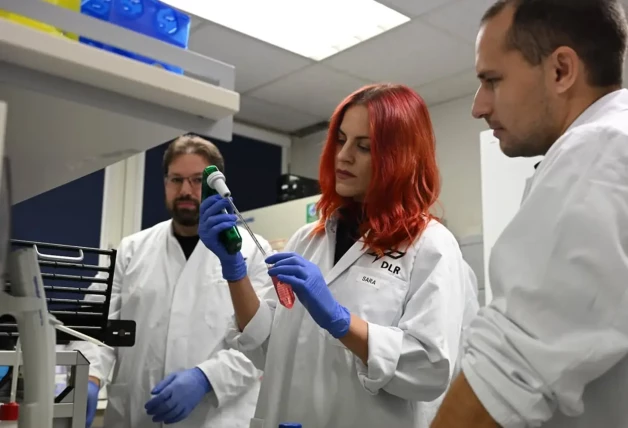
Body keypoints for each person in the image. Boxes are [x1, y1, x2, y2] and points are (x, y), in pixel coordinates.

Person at [199, 83, 480, 428]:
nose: (343, 155)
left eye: (364, 147)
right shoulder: (308, 238)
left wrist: (339, 320)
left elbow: (429, 369)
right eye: (342, 140)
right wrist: (234, 268)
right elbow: (265, 348)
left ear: (401, 157)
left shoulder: (430, 246)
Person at [431, 1, 628, 427]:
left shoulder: (597, 154)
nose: (478, 106)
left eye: (492, 80)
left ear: (560, 70)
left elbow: (506, 376)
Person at [68, 135, 274, 428]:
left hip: (216, 417)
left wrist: (206, 378)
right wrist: (89, 377)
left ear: (216, 184)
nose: (185, 190)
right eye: (176, 180)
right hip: (135, 414)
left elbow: (263, 341)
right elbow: (96, 326)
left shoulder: (252, 252)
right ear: (165, 183)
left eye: (196, 181)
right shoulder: (130, 250)